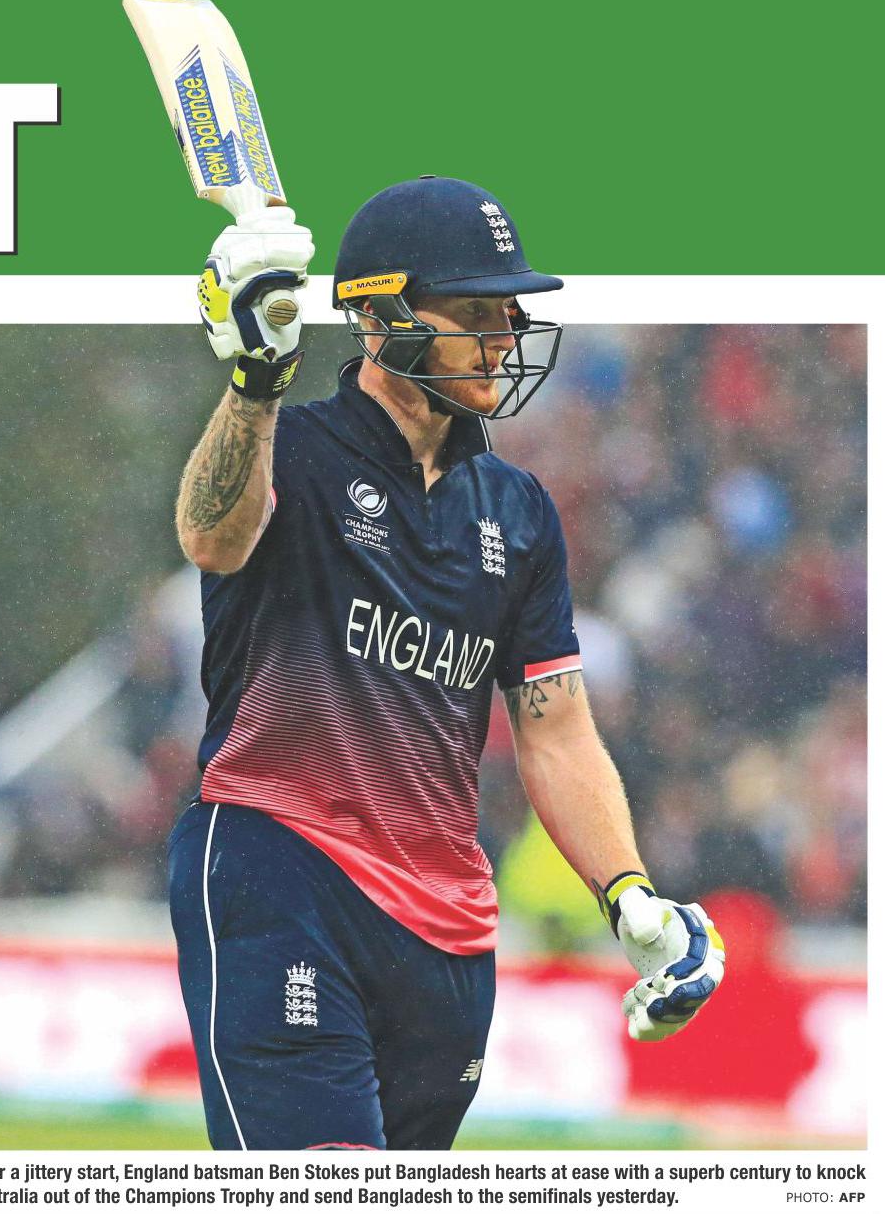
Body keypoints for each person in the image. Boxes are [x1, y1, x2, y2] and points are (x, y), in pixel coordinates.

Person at [167, 176, 725, 1151]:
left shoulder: (518, 509)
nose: (503, 336)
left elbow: (557, 730)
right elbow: (208, 536)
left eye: (508, 311)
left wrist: (630, 893)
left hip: (447, 934)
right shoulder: (289, 448)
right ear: (379, 316)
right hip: (281, 872)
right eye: (474, 313)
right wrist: (255, 380)